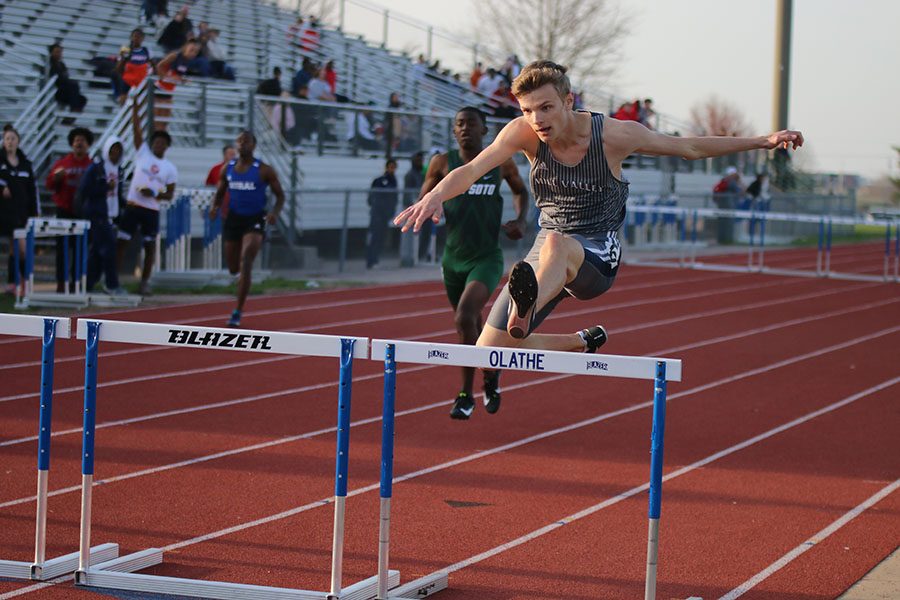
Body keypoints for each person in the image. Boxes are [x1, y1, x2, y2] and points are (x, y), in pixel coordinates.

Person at [396, 60, 803, 388]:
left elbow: (689, 147)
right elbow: (471, 170)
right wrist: (433, 196)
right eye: (526, 110)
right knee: (488, 353)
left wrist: (763, 140)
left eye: (545, 107)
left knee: (556, 244)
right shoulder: (522, 134)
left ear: (568, 100)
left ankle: (527, 304)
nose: (536, 119)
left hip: (596, 252)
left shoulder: (613, 135)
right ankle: (577, 342)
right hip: (546, 249)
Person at [419, 107, 529, 419]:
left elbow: (521, 191)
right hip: (452, 259)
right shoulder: (441, 163)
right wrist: (430, 207)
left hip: (486, 257)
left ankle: (465, 394)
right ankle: (491, 373)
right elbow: (424, 196)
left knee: (464, 317)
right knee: (470, 324)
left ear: (484, 131)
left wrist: (521, 219)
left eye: (472, 124)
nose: (465, 128)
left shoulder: (499, 161)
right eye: (460, 124)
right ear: (454, 131)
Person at [209, 131, 285, 328]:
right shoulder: (228, 168)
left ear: (253, 145)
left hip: (255, 218)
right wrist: (215, 207)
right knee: (234, 267)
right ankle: (241, 280)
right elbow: (220, 192)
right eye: (239, 141)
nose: (242, 144)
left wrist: (274, 212)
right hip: (234, 219)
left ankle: (237, 310)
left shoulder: (264, 170)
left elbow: (280, 196)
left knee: (246, 260)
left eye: (247, 141)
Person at [117, 100, 178, 296]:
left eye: (162, 143)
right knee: (122, 242)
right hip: (133, 205)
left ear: (167, 146)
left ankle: (144, 282)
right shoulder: (143, 154)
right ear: (151, 144)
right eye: (156, 142)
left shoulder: (169, 168)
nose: (158, 144)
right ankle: (114, 280)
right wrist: (135, 107)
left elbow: (169, 194)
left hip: (151, 209)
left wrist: (154, 193)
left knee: (150, 247)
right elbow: (136, 130)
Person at [77, 136, 126, 295]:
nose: (115, 154)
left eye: (118, 151)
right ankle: (111, 284)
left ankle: (88, 284)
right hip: (97, 214)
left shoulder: (119, 170)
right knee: (109, 248)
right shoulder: (96, 168)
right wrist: (105, 187)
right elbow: (85, 190)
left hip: (110, 215)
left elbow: (117, 195)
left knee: (97, 251)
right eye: (113, 150)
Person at [46, 127, 93, 293]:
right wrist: (55, 178)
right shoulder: (62, 163)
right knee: (62, 249)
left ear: (88, 144)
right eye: (76, 140)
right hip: (64, 211)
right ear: (72, 144)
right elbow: (49, 185)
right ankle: (61, 282)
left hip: (83, 213)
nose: (79, 143)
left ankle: (76, 282)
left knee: (80, 250)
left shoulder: (92, 165)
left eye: (82, 140)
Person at [0, 125, 39, 294]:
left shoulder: (25, 164)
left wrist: (35, 212)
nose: (10, 142)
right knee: (14, 246)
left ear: (18, 141)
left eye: (13, 139)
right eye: (7, 139)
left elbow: (32, 189)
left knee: (20, 248)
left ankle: (20, 282)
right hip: (3, 212)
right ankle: (15, 282)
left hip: (20, 212)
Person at [154, 39, 203, 130]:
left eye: (196, 52)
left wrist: (183, 80)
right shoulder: (174, 56)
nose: (193, 53)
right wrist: (167, 78)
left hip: (169, 92)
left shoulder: (187, 61)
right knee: (157, 120)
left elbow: (177, 75)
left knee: (164, 122)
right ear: (185, 47)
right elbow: (159, 66)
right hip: (159, 89)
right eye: (191, 50)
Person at [366, 159, 398, 269]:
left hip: (385, 215)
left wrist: (390, 212)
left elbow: (394, 198)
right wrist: (377, 208)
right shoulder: (380, 181)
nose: (392, 170)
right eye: (390, 167)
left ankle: (376, 260)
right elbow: (372, 198)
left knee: (381, 238)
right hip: (377, 215)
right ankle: (371, 261)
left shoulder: (394, 181)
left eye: (394, 167)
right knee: (374, 238)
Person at [114, 29, 153, 105]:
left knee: (141, 102)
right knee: (123, 100)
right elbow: (118, 68)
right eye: (134, 36)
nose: (136, 38)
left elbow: (153, 66)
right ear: (131, 37)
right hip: (127, 80)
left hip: (141, 80)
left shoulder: (146, 51)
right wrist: (124, 58)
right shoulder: (126, 50)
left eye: (139, 37)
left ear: (142, 39)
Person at [48, 44, 87, 114]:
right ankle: (74, 109)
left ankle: (68, 121)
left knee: (82, 99)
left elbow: (66, 76)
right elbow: (56, 78)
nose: (59, 54)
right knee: (73, 85)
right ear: (51, 53)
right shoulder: (49, 64)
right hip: (56, 91)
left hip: (65, 90)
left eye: (60, 52)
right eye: (57, 52)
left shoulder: (61, 64)